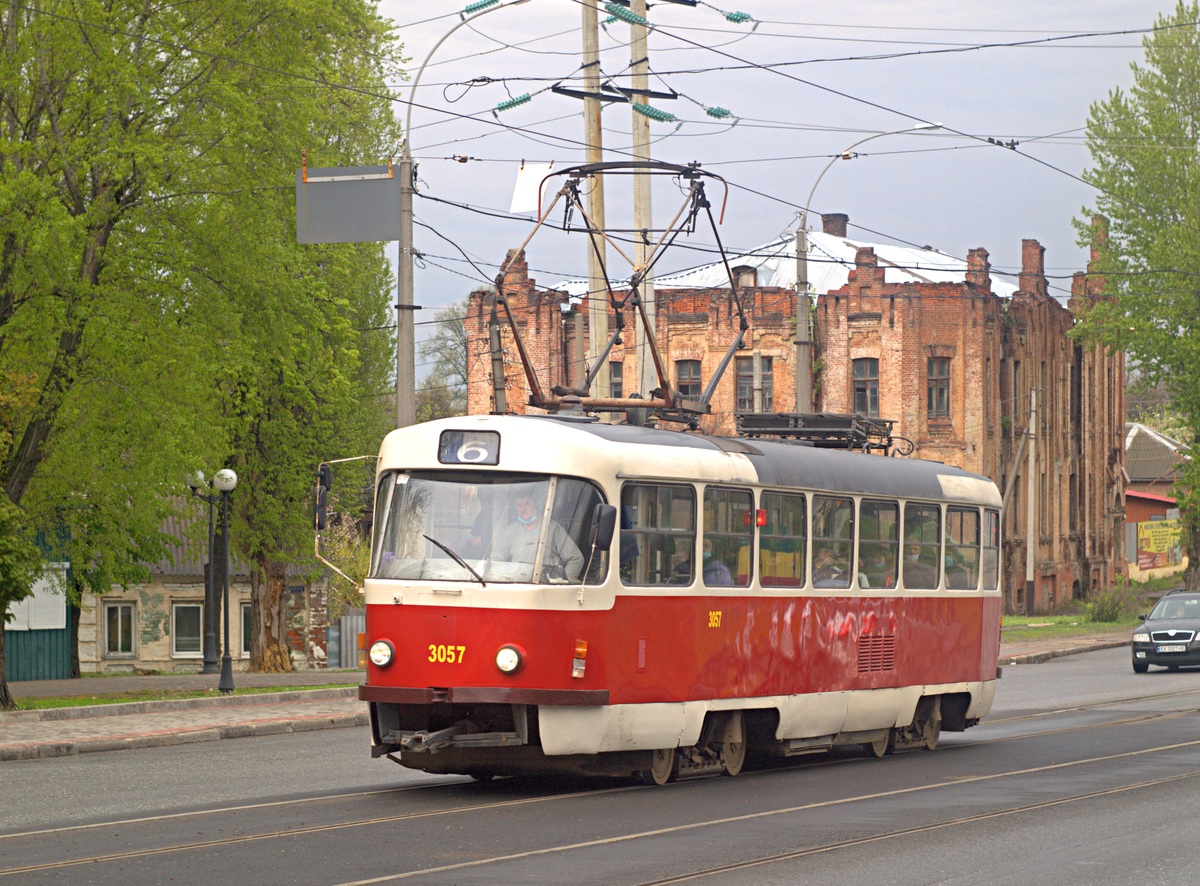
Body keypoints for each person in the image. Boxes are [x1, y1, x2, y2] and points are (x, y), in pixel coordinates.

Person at [491, 488, 584, 581]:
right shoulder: (510, 531)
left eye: (527, 504)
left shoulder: (552, 528)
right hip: (517, 588)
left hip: (546, 590)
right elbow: (495, 559)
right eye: (519, 505)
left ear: (536, 505)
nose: (523, 508)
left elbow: (576, 559)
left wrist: (561, 581)